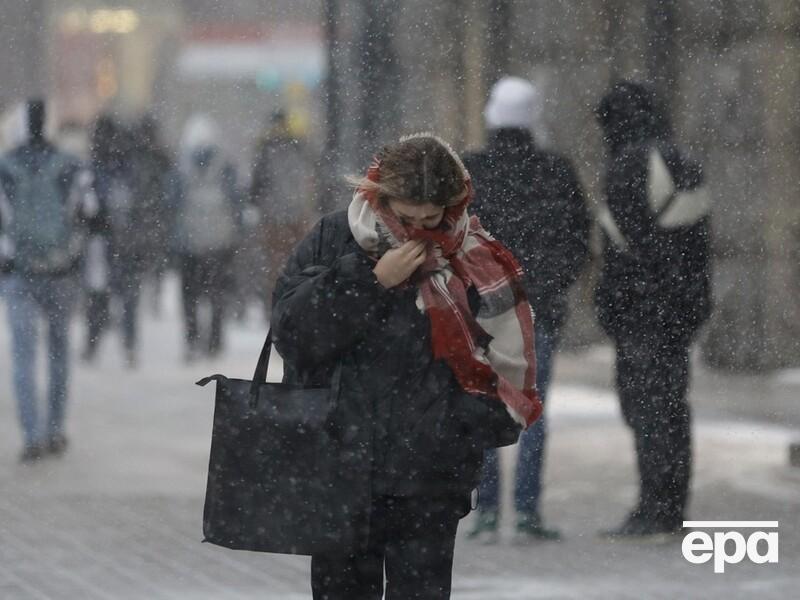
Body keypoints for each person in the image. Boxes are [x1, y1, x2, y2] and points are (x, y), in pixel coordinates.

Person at [271, 133, 542, 599]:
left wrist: (460, 429)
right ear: (380, 198)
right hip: (342, 467)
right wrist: (371, 280)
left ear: (451, 207)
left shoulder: (473, 255)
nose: (417, 230)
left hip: (429, 479)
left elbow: (507, 364)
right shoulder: (337, 238)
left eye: (430, 220)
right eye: (405, 217)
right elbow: (293, 336)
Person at [463, 76, 590, 541]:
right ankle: (527, 511)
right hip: (538, 310)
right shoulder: (557, 171)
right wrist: (548, 286)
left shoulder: (469, 172)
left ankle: (487, 510)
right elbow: (578, 239)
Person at [594, 81, 712, 537]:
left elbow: (626, 247)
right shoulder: (682, 160)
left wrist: (614, 306)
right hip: (676, 309)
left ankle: (654, 507)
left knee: (646, 410)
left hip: (642, 312)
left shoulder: (631, 162)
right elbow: (694, 245)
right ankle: (671, 504)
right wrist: (690, 302)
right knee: (671, 408)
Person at [0, 99, 96, 461]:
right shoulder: (71, 165)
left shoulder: (4, 166)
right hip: (61, 272)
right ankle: (55, 429)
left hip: (18, 273)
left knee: (23, 356)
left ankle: (32, 434)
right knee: (59, 352)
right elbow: (90, 212)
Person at [172, 114, 242, 361]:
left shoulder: (181, 168)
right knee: (216, 293)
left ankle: (192, 339)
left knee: (189, 296)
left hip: (189, 241)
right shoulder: (225, 166)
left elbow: (171, 203)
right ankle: (214, 341)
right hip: (220, 240)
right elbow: (237, 202)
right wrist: (236, 232)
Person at [82, 115, 147, 368]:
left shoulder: (95, 167)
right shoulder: (128, 166)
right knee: (127, 297)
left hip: (101, 241)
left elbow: (87, 207)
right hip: (126, 241)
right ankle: (129, 346)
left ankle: (93, 344)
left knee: (98, 296)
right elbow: (139, 205)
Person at [249, 109, 314, 314]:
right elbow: (311, 180)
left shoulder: (265, 150)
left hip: (272, 217)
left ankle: (275, 306)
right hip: (298, 216)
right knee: (299, 262)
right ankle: (297, 304)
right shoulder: (299, 148)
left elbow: (256, 188)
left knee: (274, 265)